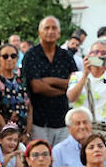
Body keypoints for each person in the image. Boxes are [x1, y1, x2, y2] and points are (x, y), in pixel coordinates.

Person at [21, 17, 78, 145]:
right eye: (46, 28)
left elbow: (74, 84)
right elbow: (36, 87)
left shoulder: (66, 56)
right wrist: (64, 88)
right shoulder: (31, 55)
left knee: (61, 161)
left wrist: (49, 80)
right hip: (39, 120)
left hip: (62, 120)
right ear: (39, 32)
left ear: (59, 33)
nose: (50, 31)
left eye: (54, 28)